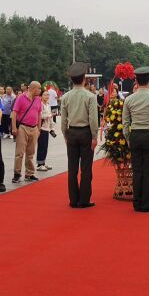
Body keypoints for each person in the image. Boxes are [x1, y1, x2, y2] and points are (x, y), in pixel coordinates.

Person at [122, 66, 149, 213]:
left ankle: (136, 202)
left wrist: (127, 137)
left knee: (137, 170)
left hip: (135, 135)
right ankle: (146, 203)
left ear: (136, 81)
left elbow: (125, 121)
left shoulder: (129, 99)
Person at [61, 62, 99, 208]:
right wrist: (94, 136)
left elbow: (63, 119)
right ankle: (84, 200)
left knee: (72, 168)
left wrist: (65, 134)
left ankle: (73, 199)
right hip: (86, 132)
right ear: (84, 78)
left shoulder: (65, 97)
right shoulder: (90, 96)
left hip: (71, 131)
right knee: (86, 168)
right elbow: (93, 119)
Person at [11, 81, 42, 183]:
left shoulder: (38, 99)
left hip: (34, 128)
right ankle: (17, 173)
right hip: (23, 127)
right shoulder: (21, 98)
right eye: (39, 88)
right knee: (19, 152)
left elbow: (39, 114)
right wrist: (14, 128)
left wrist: (39, 128)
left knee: (31, 152)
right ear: (33, 88)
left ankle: (29, 174)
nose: (40, 90)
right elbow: (14, 114)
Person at [36, 90, 54, 171]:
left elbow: (50, 119)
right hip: (41, 128)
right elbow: (40, 116)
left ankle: (43, 162)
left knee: (45, 146)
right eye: (45, 95)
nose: (47, 96)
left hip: (46, 128)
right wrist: (50, 115)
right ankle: (39, 164)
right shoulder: (40, 104)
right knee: (41, 146)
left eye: (48, 95)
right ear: (41, 96)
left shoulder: (48, 105)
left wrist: (51, 128)